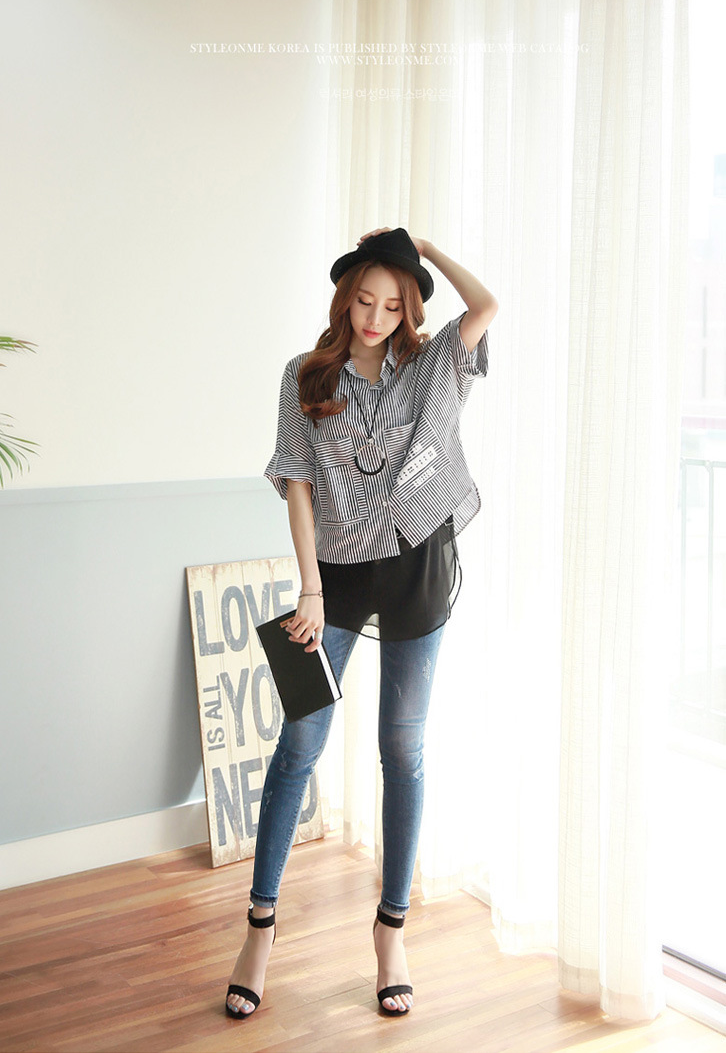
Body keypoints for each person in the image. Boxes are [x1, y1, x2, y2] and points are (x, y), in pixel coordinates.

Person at [225, 226, 498, 1019]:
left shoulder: (433, 366)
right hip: (335, 579)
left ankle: (391, 933)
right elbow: (298, 483)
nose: (376, 318)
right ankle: (259, 930)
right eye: (365, 301)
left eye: (393, 305)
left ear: (409, 309)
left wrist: (427, 253)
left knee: (402, 751)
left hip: (418, 567)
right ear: (344, 300)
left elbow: (486, 306)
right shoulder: (305, 376)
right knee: (299, 745)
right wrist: (309, 588)